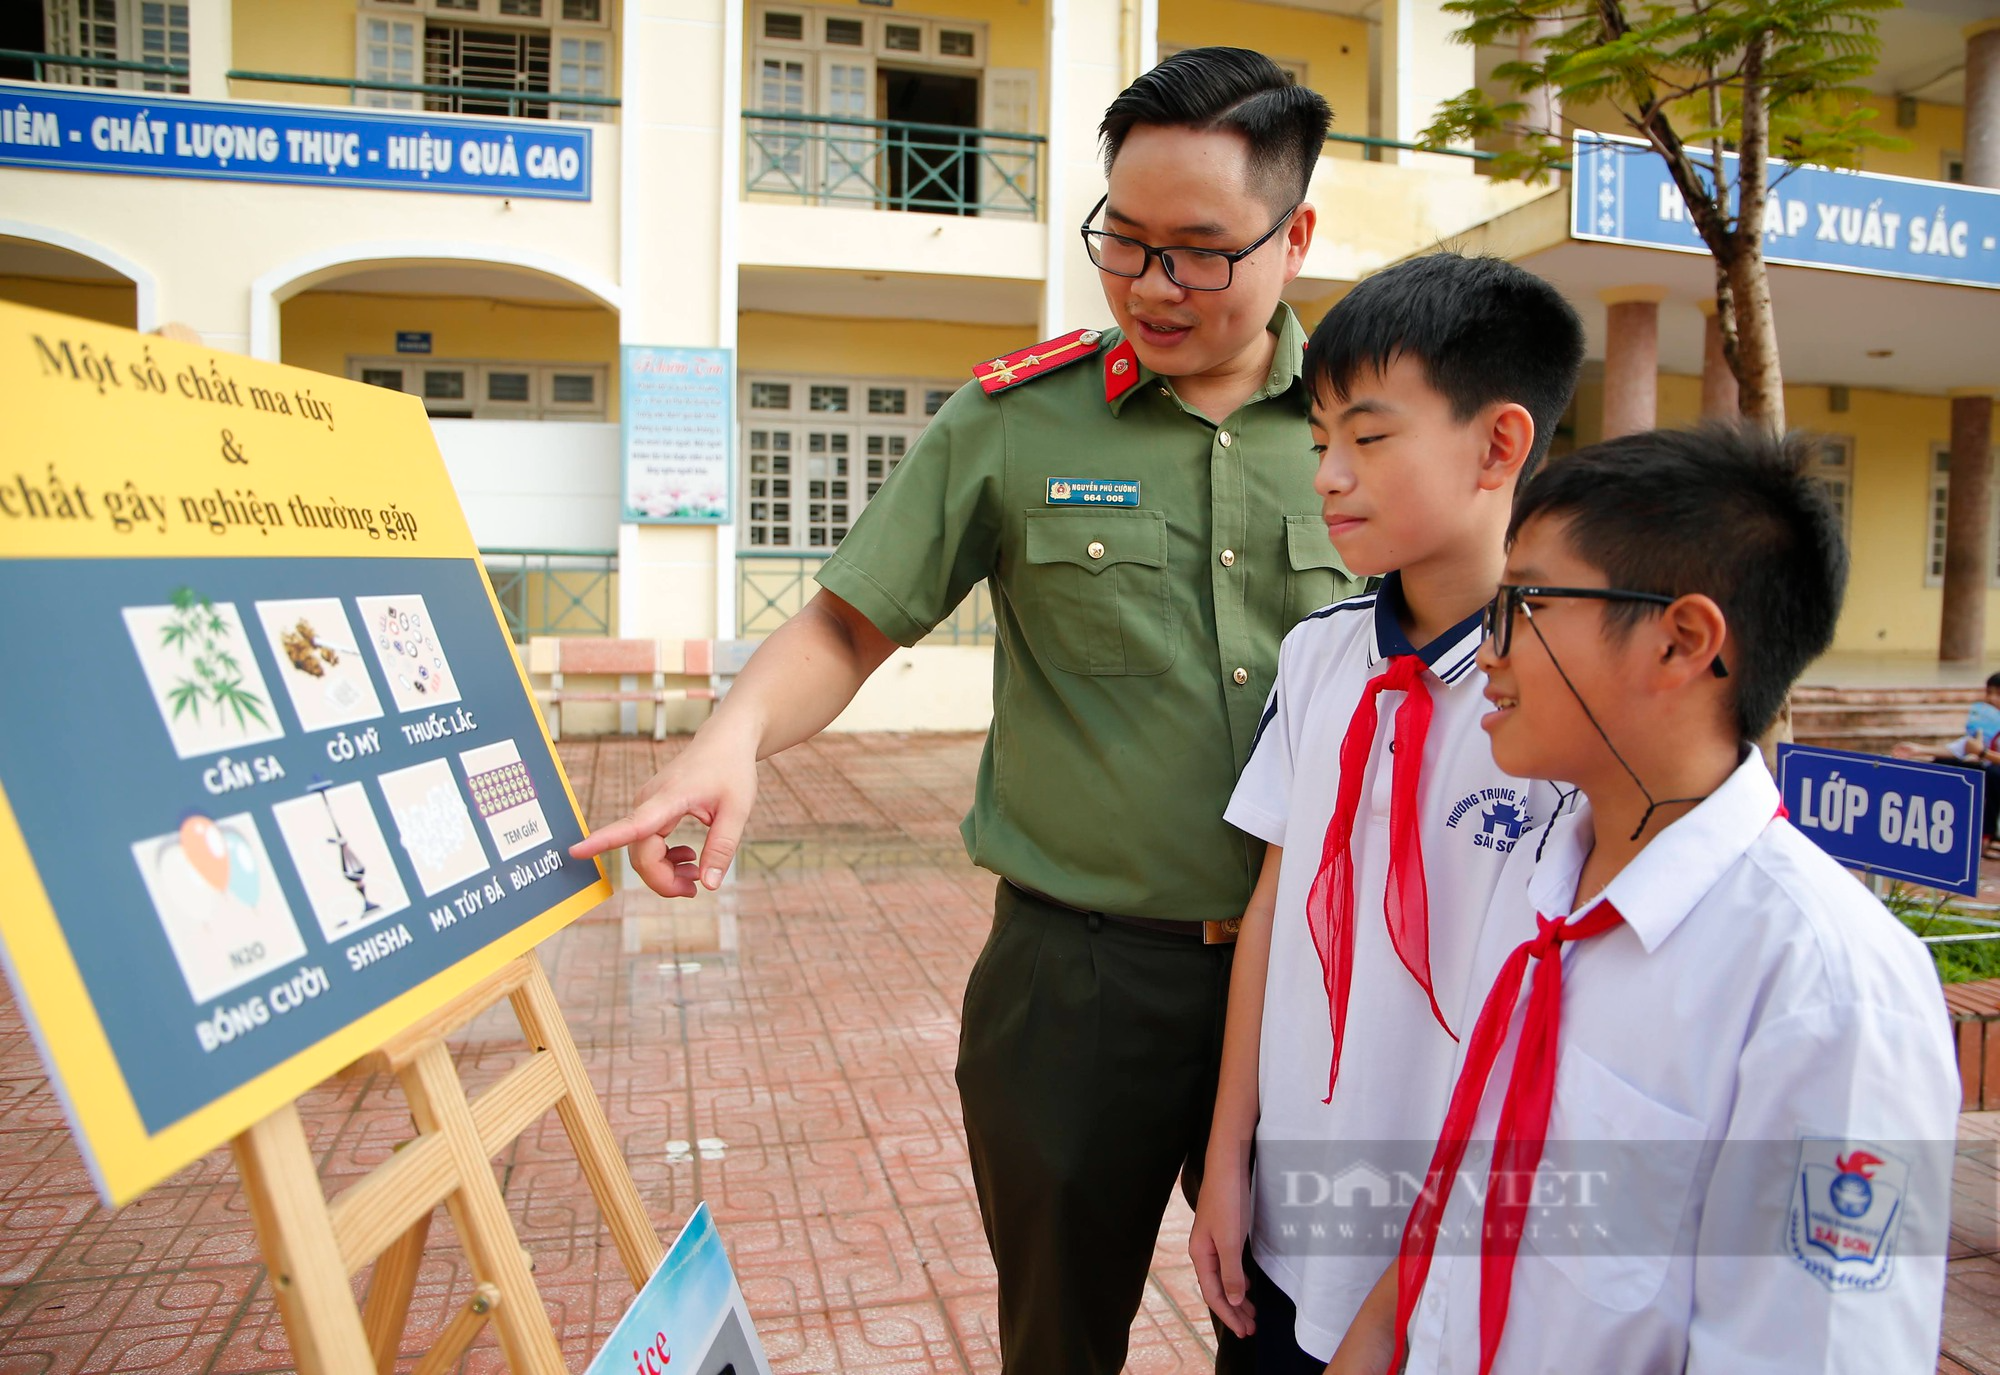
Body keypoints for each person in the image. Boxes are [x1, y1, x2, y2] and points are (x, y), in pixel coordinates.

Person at [573, 47, 1360, 1374]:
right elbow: (845, 622)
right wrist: (729, 736)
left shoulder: (1370, 424)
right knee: (1057, 1336)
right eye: (1127, 239)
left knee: (1299, 1334)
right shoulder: (1018, 422)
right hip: (1079, 983)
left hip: (1324, 979)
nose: (1154, 284)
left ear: (1299, 233)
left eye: (1203, 250)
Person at [1327, 424, 1960, 1374]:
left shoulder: (1827, 989)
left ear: (1683, 640)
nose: (1486, 649)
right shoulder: (1550, 888)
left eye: (1524, 604)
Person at [1189, 251, 1585, 1366]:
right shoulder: (1316, 656)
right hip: (1285, 1226)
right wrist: (1226, 1158)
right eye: (1318, 441)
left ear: (1498, 444)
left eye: (1366, 438)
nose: (1326, 475)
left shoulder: (1564, 693)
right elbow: (1272, 902)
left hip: (1454, 1260)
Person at [1892, 670, 2000, 856]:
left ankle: (1987, 837)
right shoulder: (1986, 723)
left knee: (1993, 774)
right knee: (1944, 762)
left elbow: (1979, 752)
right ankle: (1940, 824)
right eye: (1989, 693)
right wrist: (1918, 749)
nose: (1991, 699)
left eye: (1998, 694)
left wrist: (1982, 752)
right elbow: (1959, 748)